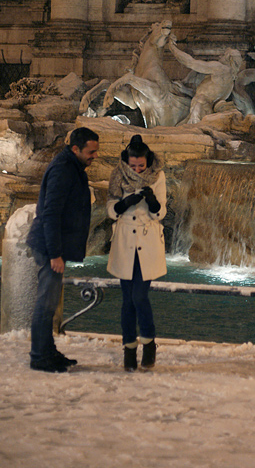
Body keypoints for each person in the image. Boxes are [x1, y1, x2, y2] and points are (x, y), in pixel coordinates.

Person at [26, 126, 100, 373]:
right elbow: (51, 213)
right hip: (49, 247)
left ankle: (48, 351)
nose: (95, 156)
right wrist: (55, 253)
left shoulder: (72, 166)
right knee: (46, 303)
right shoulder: (63, 169)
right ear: (76, 148)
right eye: (91, 152)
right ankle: (39, 355)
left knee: (49, 302)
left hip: (52, 245)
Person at [106, 134, 167, 371]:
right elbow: (111, 206)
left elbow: (160, 212)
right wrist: (122, 204)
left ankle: (149, 342)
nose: (138, 169)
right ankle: (129, 349)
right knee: (127, 301)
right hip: (124, 240)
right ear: (127, 161)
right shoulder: (117, 175)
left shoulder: (157, 176)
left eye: (141, 165)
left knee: (139, 296)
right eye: (133, 166)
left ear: (147, 161)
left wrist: (152, 202)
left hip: (148, 239)